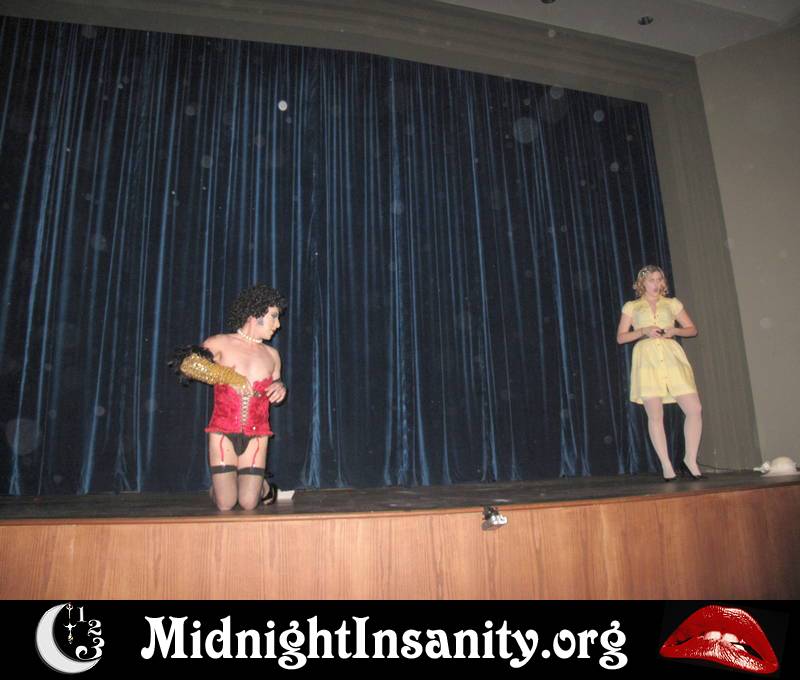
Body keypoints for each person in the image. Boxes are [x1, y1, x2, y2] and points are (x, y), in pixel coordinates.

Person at [171, 284, 288, 509]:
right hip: (222, 431)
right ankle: (220, 487)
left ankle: (264, 487)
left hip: (257, 434)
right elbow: (187, 365)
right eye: (273, 317)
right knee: (226, 504)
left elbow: (276, 383)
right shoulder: (220, 342)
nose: (278, 324)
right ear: (255, 314)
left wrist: (280, 387)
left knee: (248, 503)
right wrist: (228, 376)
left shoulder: (272, 355)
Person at [616, 265, 703, 481]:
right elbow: (621, 337)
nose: (656, 284)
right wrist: (643, 331)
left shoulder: (672, 303)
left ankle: (690, 460)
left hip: (672, 357)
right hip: (647, 360)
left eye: (659, 279)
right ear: (642, 283)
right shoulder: (632, 306)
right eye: (651, 280)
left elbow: (692, 329)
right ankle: (666, 465)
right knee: (655, 415)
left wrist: (675, 330)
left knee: (694, 409)